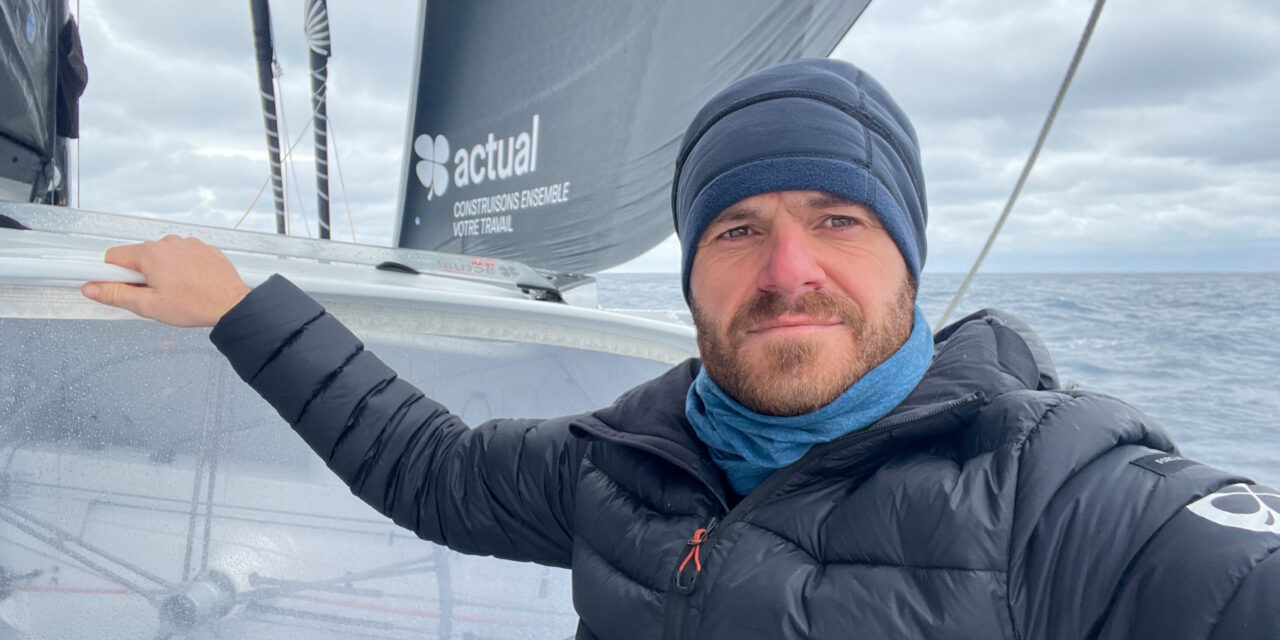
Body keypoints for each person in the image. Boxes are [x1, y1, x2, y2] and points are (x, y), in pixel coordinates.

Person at [82, 59, 1278, 639]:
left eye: (838, 222)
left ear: (908, 263)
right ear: (693, 270)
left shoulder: (1061, 498)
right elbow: (427, 466)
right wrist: (242, 308)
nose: (786, 269)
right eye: (737, 229)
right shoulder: (616, 463)